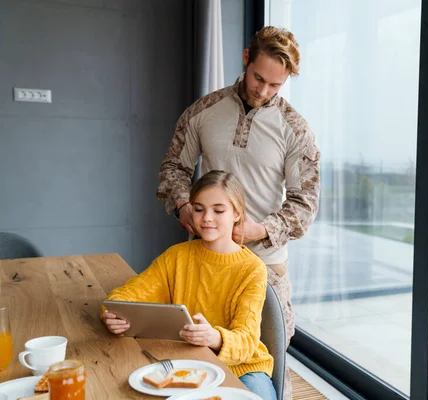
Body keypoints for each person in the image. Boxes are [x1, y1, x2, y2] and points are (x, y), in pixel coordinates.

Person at [156, 26, 320, 399]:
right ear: (246, 59)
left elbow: (305, 204)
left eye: (275, 86)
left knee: (266, 368)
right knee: (201, 354)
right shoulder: (203, 111)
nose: (263, 91)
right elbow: (173, 169)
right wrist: (184, 206)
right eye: (259, 78)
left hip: (265, 266)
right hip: (206, 260)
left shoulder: (296, 130)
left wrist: (259, 229)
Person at [102, 170, 277, 400]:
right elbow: (127, 294)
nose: (206, 218)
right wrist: (114, 314)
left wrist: (214, 337)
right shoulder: (177, 256)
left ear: (237, 214)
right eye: (199, 208)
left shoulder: (253, 269)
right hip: (187, 362)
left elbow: (246, 340)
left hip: (243, 368)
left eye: (218, 210)